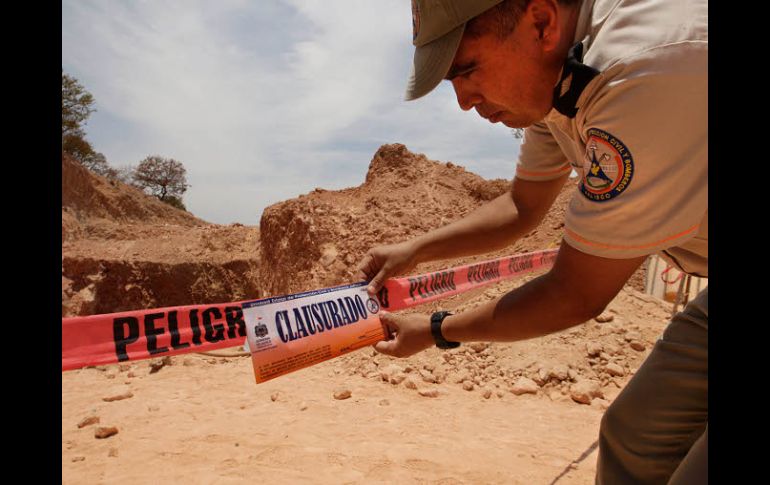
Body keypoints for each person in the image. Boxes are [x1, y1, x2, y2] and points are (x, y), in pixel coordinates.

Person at [358, 0, 707, 483]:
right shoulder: (555, 77)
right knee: (635, 437)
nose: (462, 100)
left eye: (467, 70)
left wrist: (436, 329)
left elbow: (573, 294)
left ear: (541, 22)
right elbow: (522, 206)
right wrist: (415, 250)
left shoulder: (642, 70)